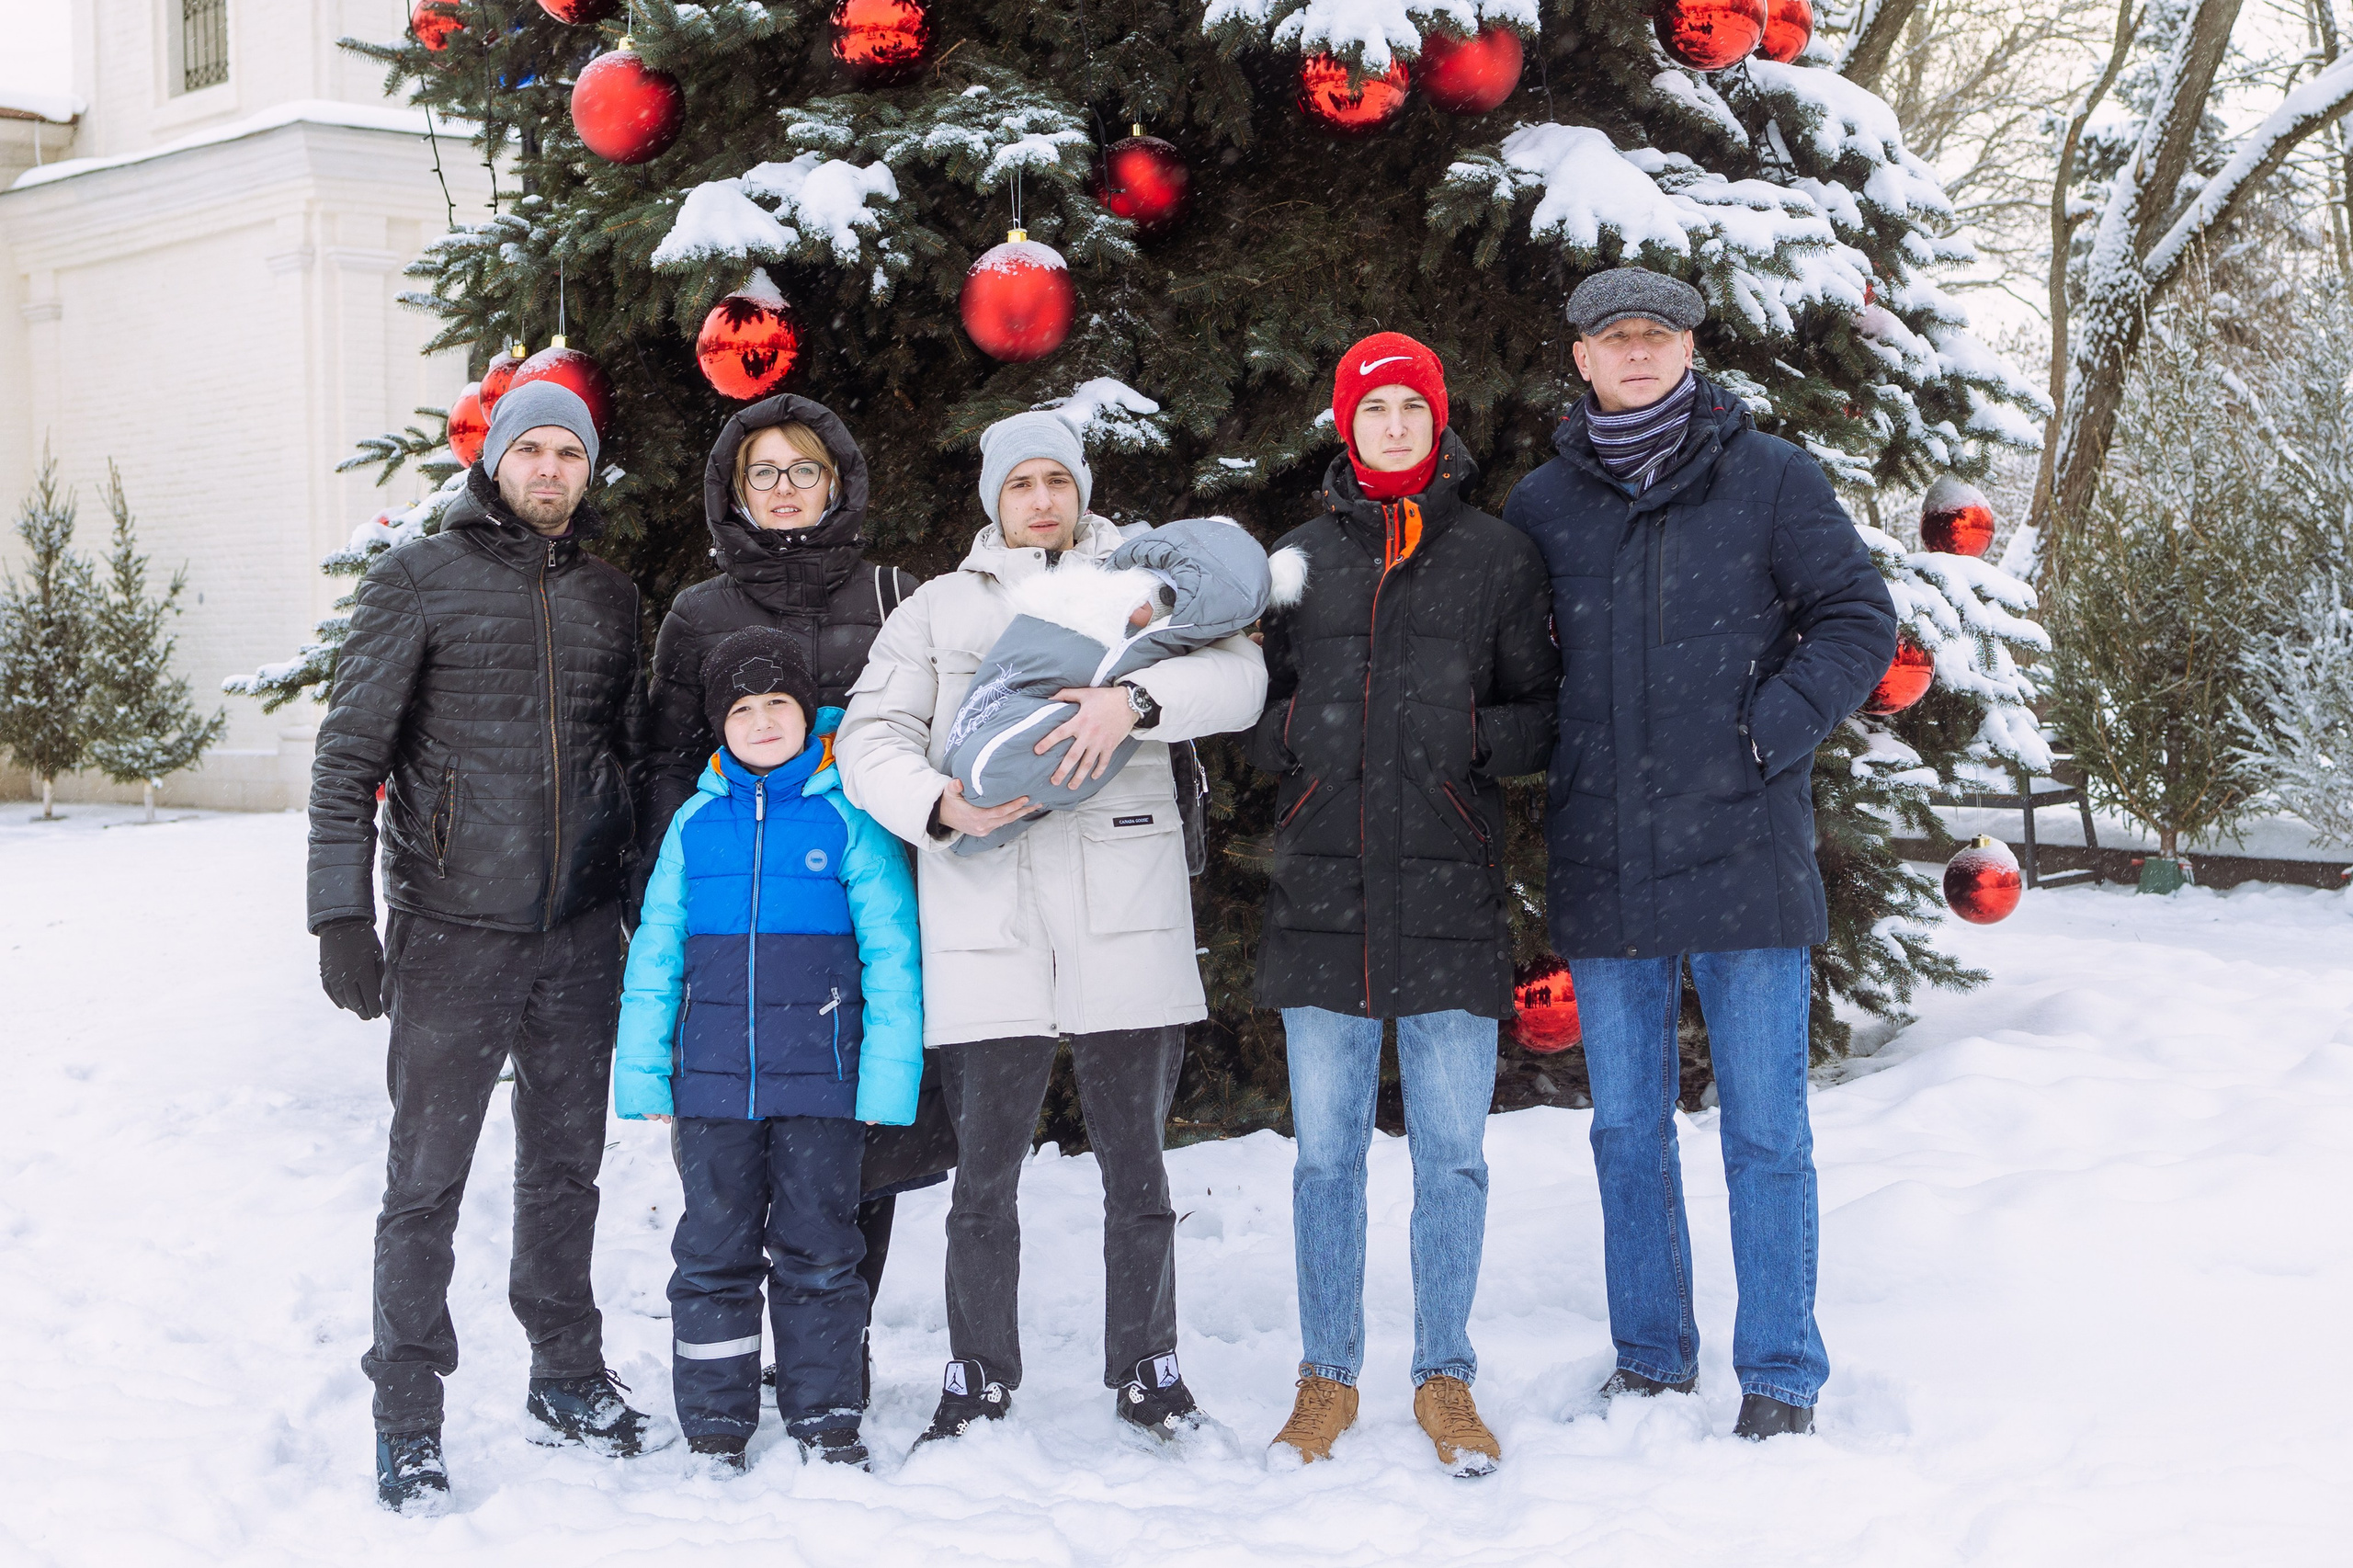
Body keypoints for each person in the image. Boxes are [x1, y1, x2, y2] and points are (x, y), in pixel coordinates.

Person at [1501, 267, 1898, 1440]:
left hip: (1744, 849)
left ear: (1688, 349)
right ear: (1578, 357)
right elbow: (1525, 671)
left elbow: (1856, 617)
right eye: (1613, 337)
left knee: (1766, 1128)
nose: (1636, 352)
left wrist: (1767, 728)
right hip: (1603, 850)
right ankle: (1651, 1358)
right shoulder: (1541, 507)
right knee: (1626, 1126)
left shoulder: (1770, 476)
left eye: (1658, 335)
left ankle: (1780, 1373)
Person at [835, 412, 1267, 1447]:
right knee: (983, 1174)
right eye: (1019, 482)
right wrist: (939, 802)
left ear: (1080, 490)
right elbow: (867, 733)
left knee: (1138, 1166)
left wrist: (1135, 699)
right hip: (985, 911)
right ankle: (978, 1372)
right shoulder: (937, 608)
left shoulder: (1144, 579)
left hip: (1124, 899)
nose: (1040, 499)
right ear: (993, 497)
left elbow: (1243, 679)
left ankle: (1148, 1367)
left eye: (1055, 481)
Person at [308, 381, 665, 1515]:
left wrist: (640, 899)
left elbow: (633, 759)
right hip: (452, 928)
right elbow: (344, 756)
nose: (551, 470)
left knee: (565, 1170)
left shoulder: (613, 598)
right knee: (426, 1183)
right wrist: (340, 916)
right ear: (496, 460)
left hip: (576, 931)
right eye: (533, 451)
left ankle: (564, 1374)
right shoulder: (416, 578)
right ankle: (407, 1413)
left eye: (571, 453)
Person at [1249, 332, 1561, 1478]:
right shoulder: (1292, 559)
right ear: (1346, 424)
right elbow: (1243, 701)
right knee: (1324, 1158)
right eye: (1372, 409)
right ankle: (1326, 1376)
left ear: (1438, 425)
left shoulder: (1498, 557)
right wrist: (1301, 742)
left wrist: (1468, 739)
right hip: (1322, 889)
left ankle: (1446, 1376)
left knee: (1452, 1158)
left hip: (1449, 890)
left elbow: (1543, 714)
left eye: (1410, 410)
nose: (1392, 427)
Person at [642, 394, 945, 1399]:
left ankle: (830, 1347)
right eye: (762, 472)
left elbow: (933, 737)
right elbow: (669, 767)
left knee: (865, 1143)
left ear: (837, 481)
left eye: (801, 470)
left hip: (878, 904)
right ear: (736, 489)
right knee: (741, 1163)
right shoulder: (698, 611)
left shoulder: (898, 595)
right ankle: (753, 1354)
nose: (783, 489)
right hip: (748, 922)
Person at [611, 627, 923, 1475]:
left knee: (821, 1250)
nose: (759, 721)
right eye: (741, 709)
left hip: (823, 1084)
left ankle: (825, 1412)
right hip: (711, 1087)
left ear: (806, 712)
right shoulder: (694, 823)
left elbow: (892, 952)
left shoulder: (844, 815)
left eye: (776, 702)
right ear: (719, 723)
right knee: (713, 1251)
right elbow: (657, 954)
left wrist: (889, 1080)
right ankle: (715, 1421)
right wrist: (643, 1069)